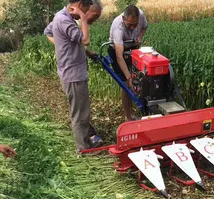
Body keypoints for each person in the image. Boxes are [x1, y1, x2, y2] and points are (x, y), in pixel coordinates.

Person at [44, 0, 103, 146]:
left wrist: (71, 48)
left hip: (72, 72)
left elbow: (49, 31)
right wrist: (82, 17)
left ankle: (85, 142)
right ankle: (83, 148)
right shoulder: (65, 20)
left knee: (81, 110)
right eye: (86, 8)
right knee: (80, 114)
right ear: (80, 4)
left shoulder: (62, 16)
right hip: (73, 74)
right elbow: (85, 39)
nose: (85, 13)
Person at [109, 5, 148, 121]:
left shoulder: (141, 15)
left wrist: (139, 37)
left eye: (134, 24)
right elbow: (119, 56)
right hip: (118, 51)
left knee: (139, 78)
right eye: (129, 24)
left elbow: (145, 27)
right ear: (123, 19)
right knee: (126, 84)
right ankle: (128, 117)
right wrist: (128, 76)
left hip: (133, 47)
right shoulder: (118, 27)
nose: (132, 27)